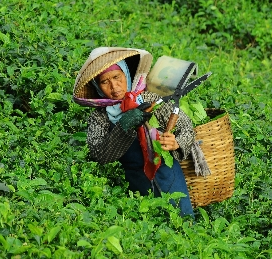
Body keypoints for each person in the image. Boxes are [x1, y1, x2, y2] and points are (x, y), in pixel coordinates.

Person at [73, 47, 196, 217]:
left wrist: (177, 142)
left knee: (184, 221)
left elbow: (186, 127)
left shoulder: (149, 99)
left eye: (117, 77)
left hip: (169, 176)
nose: (114, 86)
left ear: (126, 75)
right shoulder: (100, 117)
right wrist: (123, 126)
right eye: (104, 81)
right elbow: (99, 154)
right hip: (136, 184)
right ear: (98, 86)